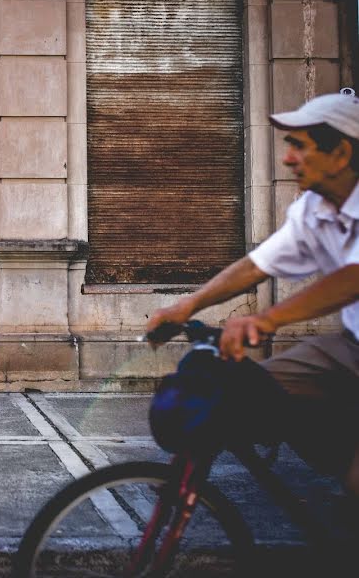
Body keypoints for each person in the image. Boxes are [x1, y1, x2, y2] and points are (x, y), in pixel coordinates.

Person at [146, 91, 359, 496]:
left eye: (300, 146)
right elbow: (256, 266)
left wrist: (266, 319)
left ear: (342, 153)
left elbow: (353, 277)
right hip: (350, 346)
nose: (287, 158)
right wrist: (186, 305)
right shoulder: (314, 209)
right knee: (245, 392)